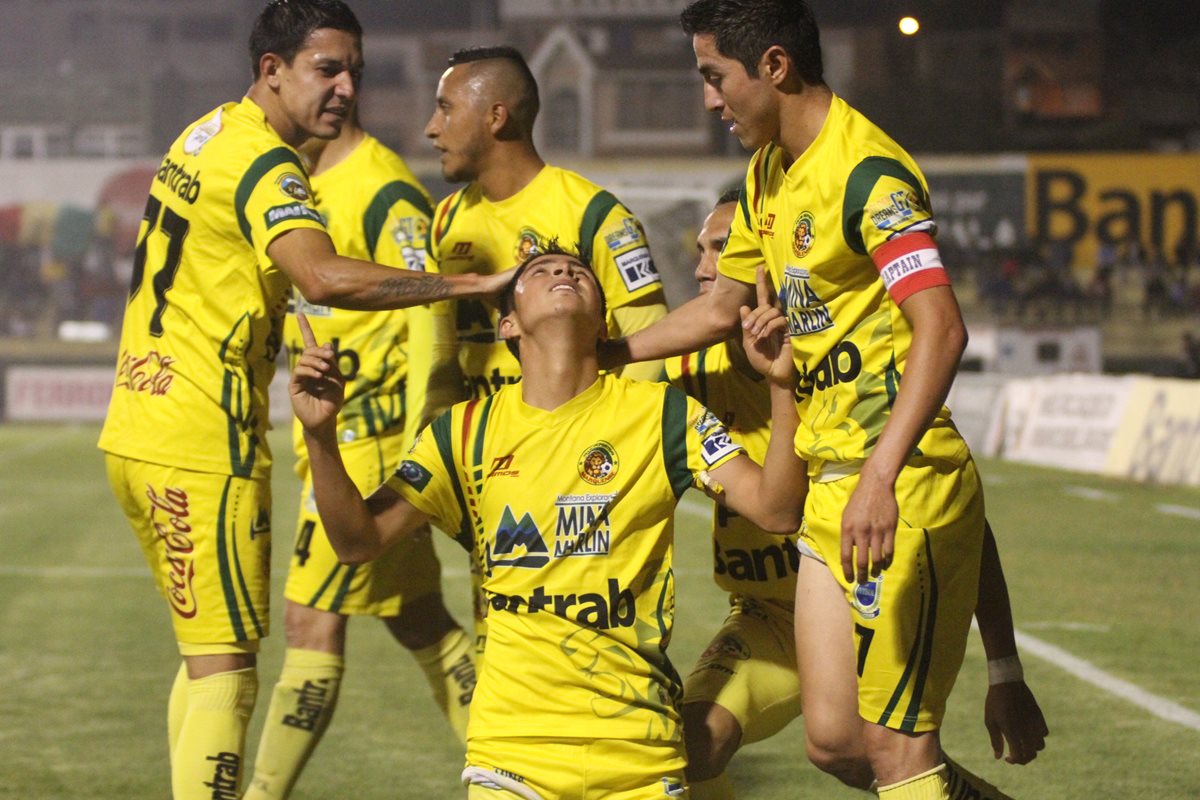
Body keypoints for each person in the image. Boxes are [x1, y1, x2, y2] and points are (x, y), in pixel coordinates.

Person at [605, 2, 1041, 796]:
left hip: (895, 484)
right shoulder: (768, 173)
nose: (710, 101)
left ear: (774, 66)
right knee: (837, 743)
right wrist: (601, 354)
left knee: (900, 752)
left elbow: (941, 330)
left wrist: (879, 475)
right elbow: (714, 309)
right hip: (828, 490)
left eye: (715, 77)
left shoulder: (868, 173)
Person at [97, 3, 507, 797]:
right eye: (327, 69)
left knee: (366, 626)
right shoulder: (272, 166)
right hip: (201, 439)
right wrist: (472, 280)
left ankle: (501, 768)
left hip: (144, 421)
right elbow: (321, 276)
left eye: (355, 69)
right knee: (230, 672)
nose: (348, 87)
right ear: (271, 70)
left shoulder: (203, 134)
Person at [288, 245, 805, 798]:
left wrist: (780, 386)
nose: (562, 271)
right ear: (507, 323)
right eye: (541, 272)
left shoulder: (663, 414)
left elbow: (776, 509)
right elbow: (357, 541)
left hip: (638, 750)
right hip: (510, 753)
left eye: (579, 272)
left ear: (604, 322)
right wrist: (320, 436)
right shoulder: (462, 432)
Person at [672, 193, 1046, 799]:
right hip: (768, 619)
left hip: (858, 602)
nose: (702, 268)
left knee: (872, 753)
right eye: (700, 251)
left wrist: (1003, 669)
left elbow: (955, 522)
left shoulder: (850, 381)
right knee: (695, 745)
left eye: (721, 249)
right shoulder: (685, 377)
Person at [244, 107, 476, 800]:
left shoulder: (383, 190)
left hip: (370, 450)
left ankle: (259, 795)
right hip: (343, 439)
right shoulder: (304, 185)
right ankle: (519, 764)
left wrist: (417, 451)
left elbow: (430, 312)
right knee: (419, 619)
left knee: (309, 623)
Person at [421, 44, 672, 660]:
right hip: (496, 477)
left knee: (593, 661)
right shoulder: (447, 219)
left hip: (580, 480)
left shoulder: (592, 215)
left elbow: (650, 344)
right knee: (503, 659)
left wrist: (602, 459)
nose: (431, 129)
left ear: (496, 117)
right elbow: (443, 353)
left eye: (445, 108)